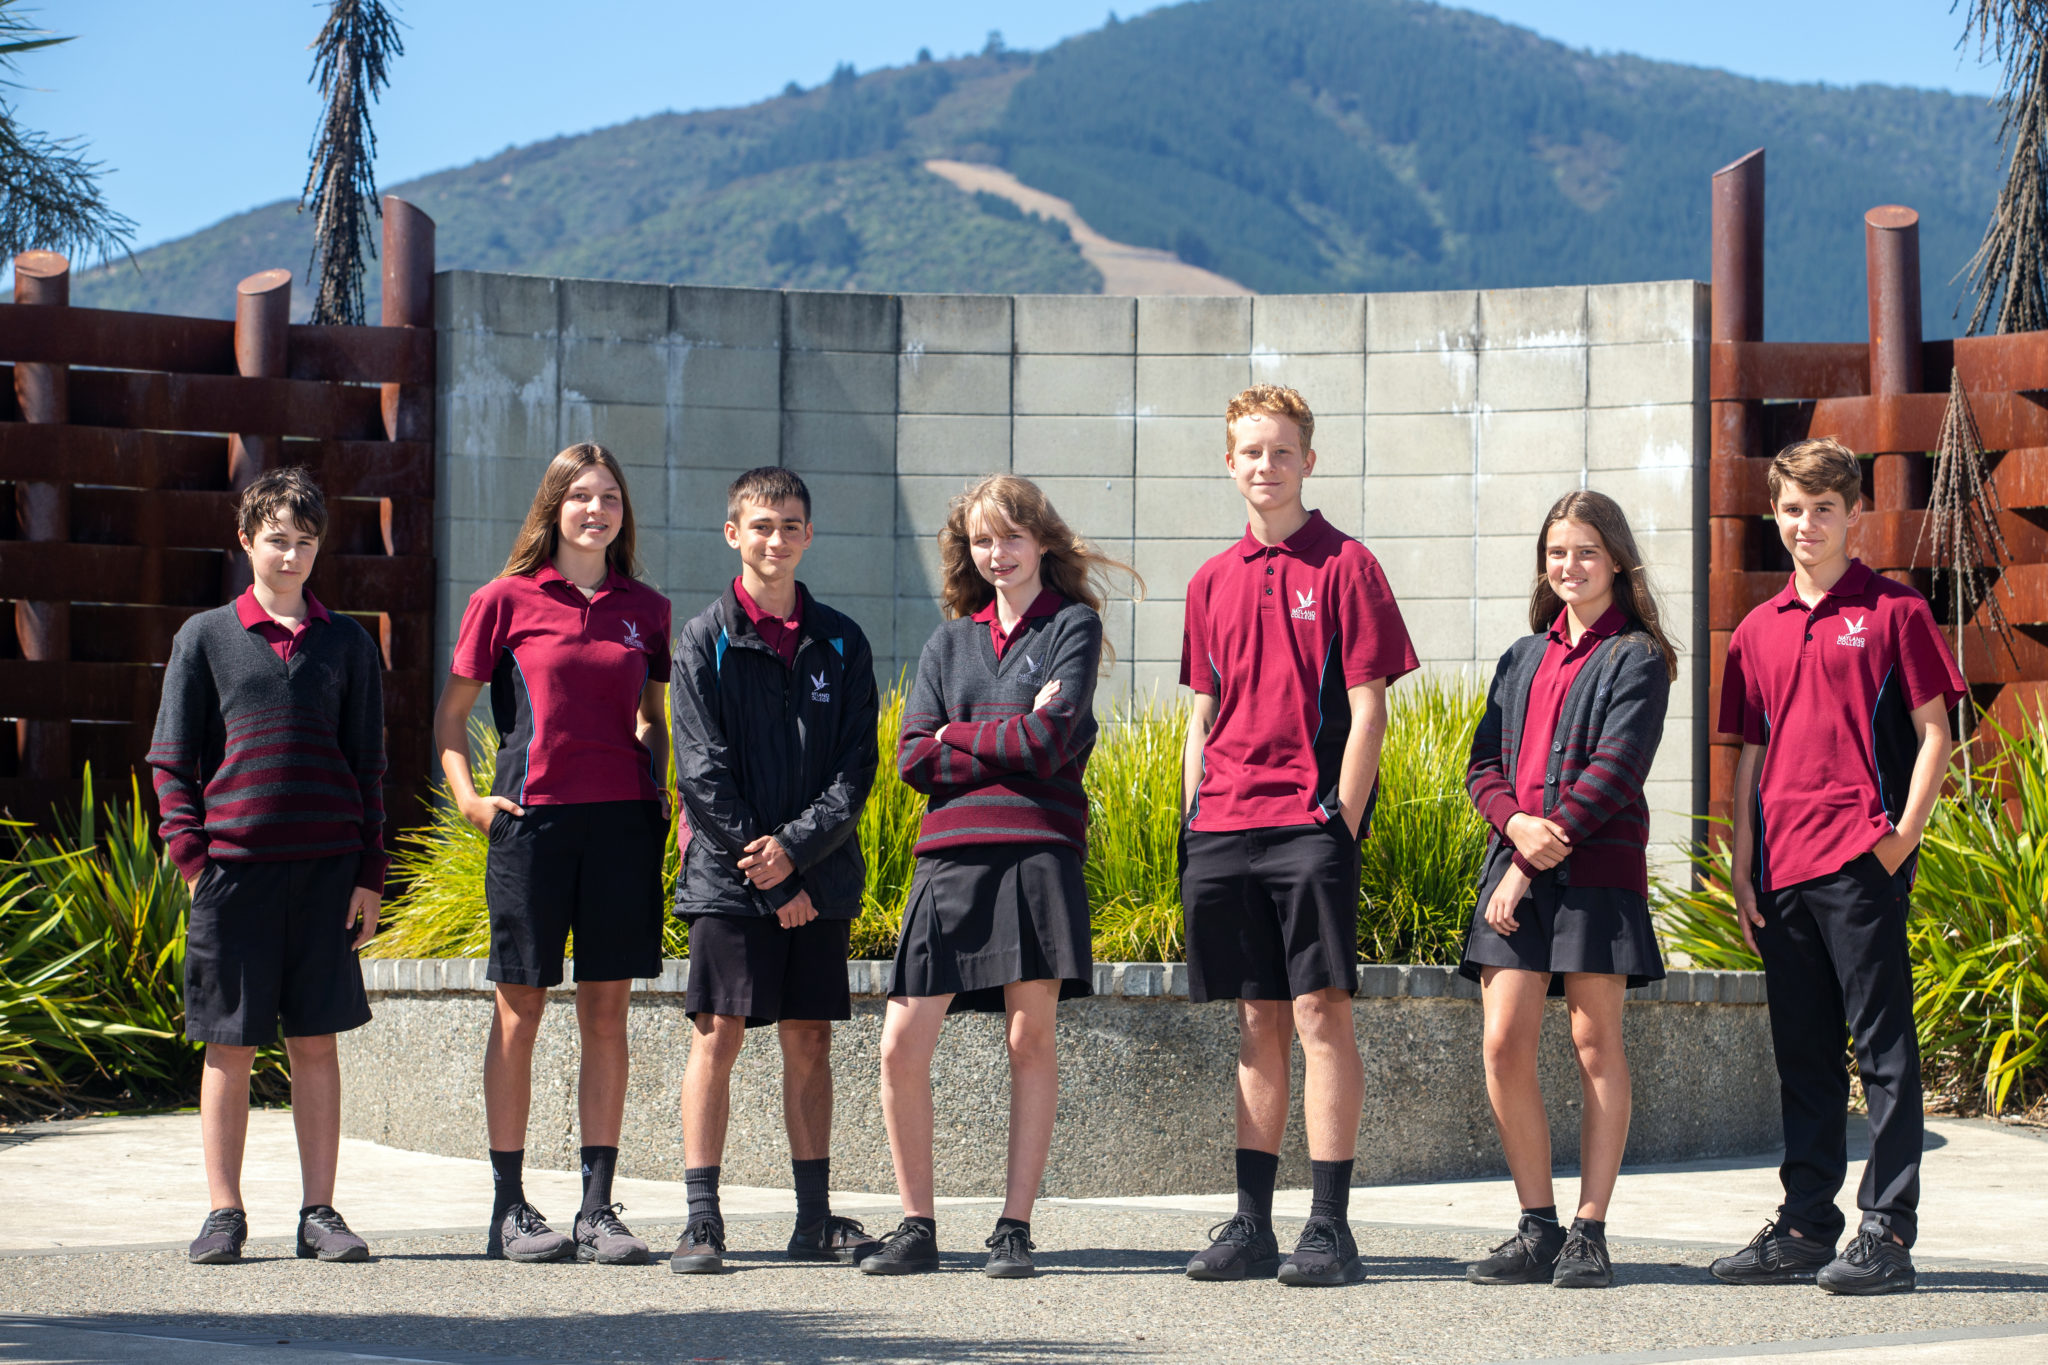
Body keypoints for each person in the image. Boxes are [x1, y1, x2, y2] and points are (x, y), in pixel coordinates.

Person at [857, 474, 1139, 1280]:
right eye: (984, 540)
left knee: (1030, 1037)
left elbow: (1052, 745)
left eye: (1011, 536)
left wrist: (961, 733)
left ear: (1042, 540)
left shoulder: (1071, 627)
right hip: (947, 856)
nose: (998, 553)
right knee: (900, 1041)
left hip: (1039, 848)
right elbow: (913, 756)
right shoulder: (948, 642)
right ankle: (917, 1223)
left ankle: (1013, 1226)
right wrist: (1003, 733)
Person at [1710, 437, 1962, 1297]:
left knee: (1884, 1049)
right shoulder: (1755, 629)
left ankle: (1886, 1229)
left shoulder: (1896, 614)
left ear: (1856, 514)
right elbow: (1746, 752)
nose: (1807, 523)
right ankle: (1807, 1226)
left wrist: (1898, 838)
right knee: (1805, 1055)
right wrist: (1743, 866)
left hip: (1859, 861)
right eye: (1792, 508)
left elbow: (1937, 731)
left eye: (1824, 508)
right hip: (1781, 870)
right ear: (1774, 517)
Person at [1178, 384, 1417, 1289]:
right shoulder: (1210, 580)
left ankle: (1329, 1227)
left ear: (1308, 460)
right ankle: (1251, 1225)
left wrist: (1341, 821)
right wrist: (1194, 816)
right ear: (1228, 462)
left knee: (1321, 1014)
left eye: (1281, 451)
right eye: (1250, 452)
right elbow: (1201, 715)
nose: (1265, 467)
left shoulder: (1347, 565)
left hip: (1308, 827)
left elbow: (1370, 709)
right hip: (1225, 826)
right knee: (1254, 1021)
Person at [432, 442, 673, 1267]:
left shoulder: (649, 606)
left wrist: (659, 784)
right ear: (553, 508)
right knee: (521, 1011)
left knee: (606, 1015)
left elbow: (652, 715)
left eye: (609, 495)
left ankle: (598, 1210)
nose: (595, 509)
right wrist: (471, 801)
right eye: (580, 496)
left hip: (621, 829)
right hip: (531, 828)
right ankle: (509, 1206)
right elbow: (449, 720)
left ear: (621, 512)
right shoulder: (503, 600)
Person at [149, 466, 386, 1266]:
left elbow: (369, 770)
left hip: (326, 877)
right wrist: (193, 862)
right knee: (230, 1045)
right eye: (277, 540)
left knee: (315, 1042)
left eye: (306, 542)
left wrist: (368, 874)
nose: (291, 556)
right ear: (246, 539)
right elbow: (171, 762)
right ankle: (224, 1212)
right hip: (234, 878)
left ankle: (320, 1210)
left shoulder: (349, 643)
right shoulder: (205, 637)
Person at [1458, 489, 1676, 1290]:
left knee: (1594, 1043)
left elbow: (1615, 772)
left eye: (1586, 550)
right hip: (1521, 862)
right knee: (1503, 1042)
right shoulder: (1523, 655)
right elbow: (1482, 762)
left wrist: (1530, 855)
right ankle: (1537, 1224)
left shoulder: (1640, 655)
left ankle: (1590, 1227)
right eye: (1557, 551)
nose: (1570, 565)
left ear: (1616, 558)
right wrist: (1514, 826)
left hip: (1596, 872)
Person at [665, 468, 882, 1275]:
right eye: (761, 525)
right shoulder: (703, 639)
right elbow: (700, 770)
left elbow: (855, 772)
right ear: (733, 534)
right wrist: (768, 866)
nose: (776, 539)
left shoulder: (842, 640)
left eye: (791, 525)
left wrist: (796, 854)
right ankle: (701, 1219)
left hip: (818, 872)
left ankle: (814, 1219)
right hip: (730, 877)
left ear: (808, 536)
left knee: (810, 1040)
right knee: (716, 1037)